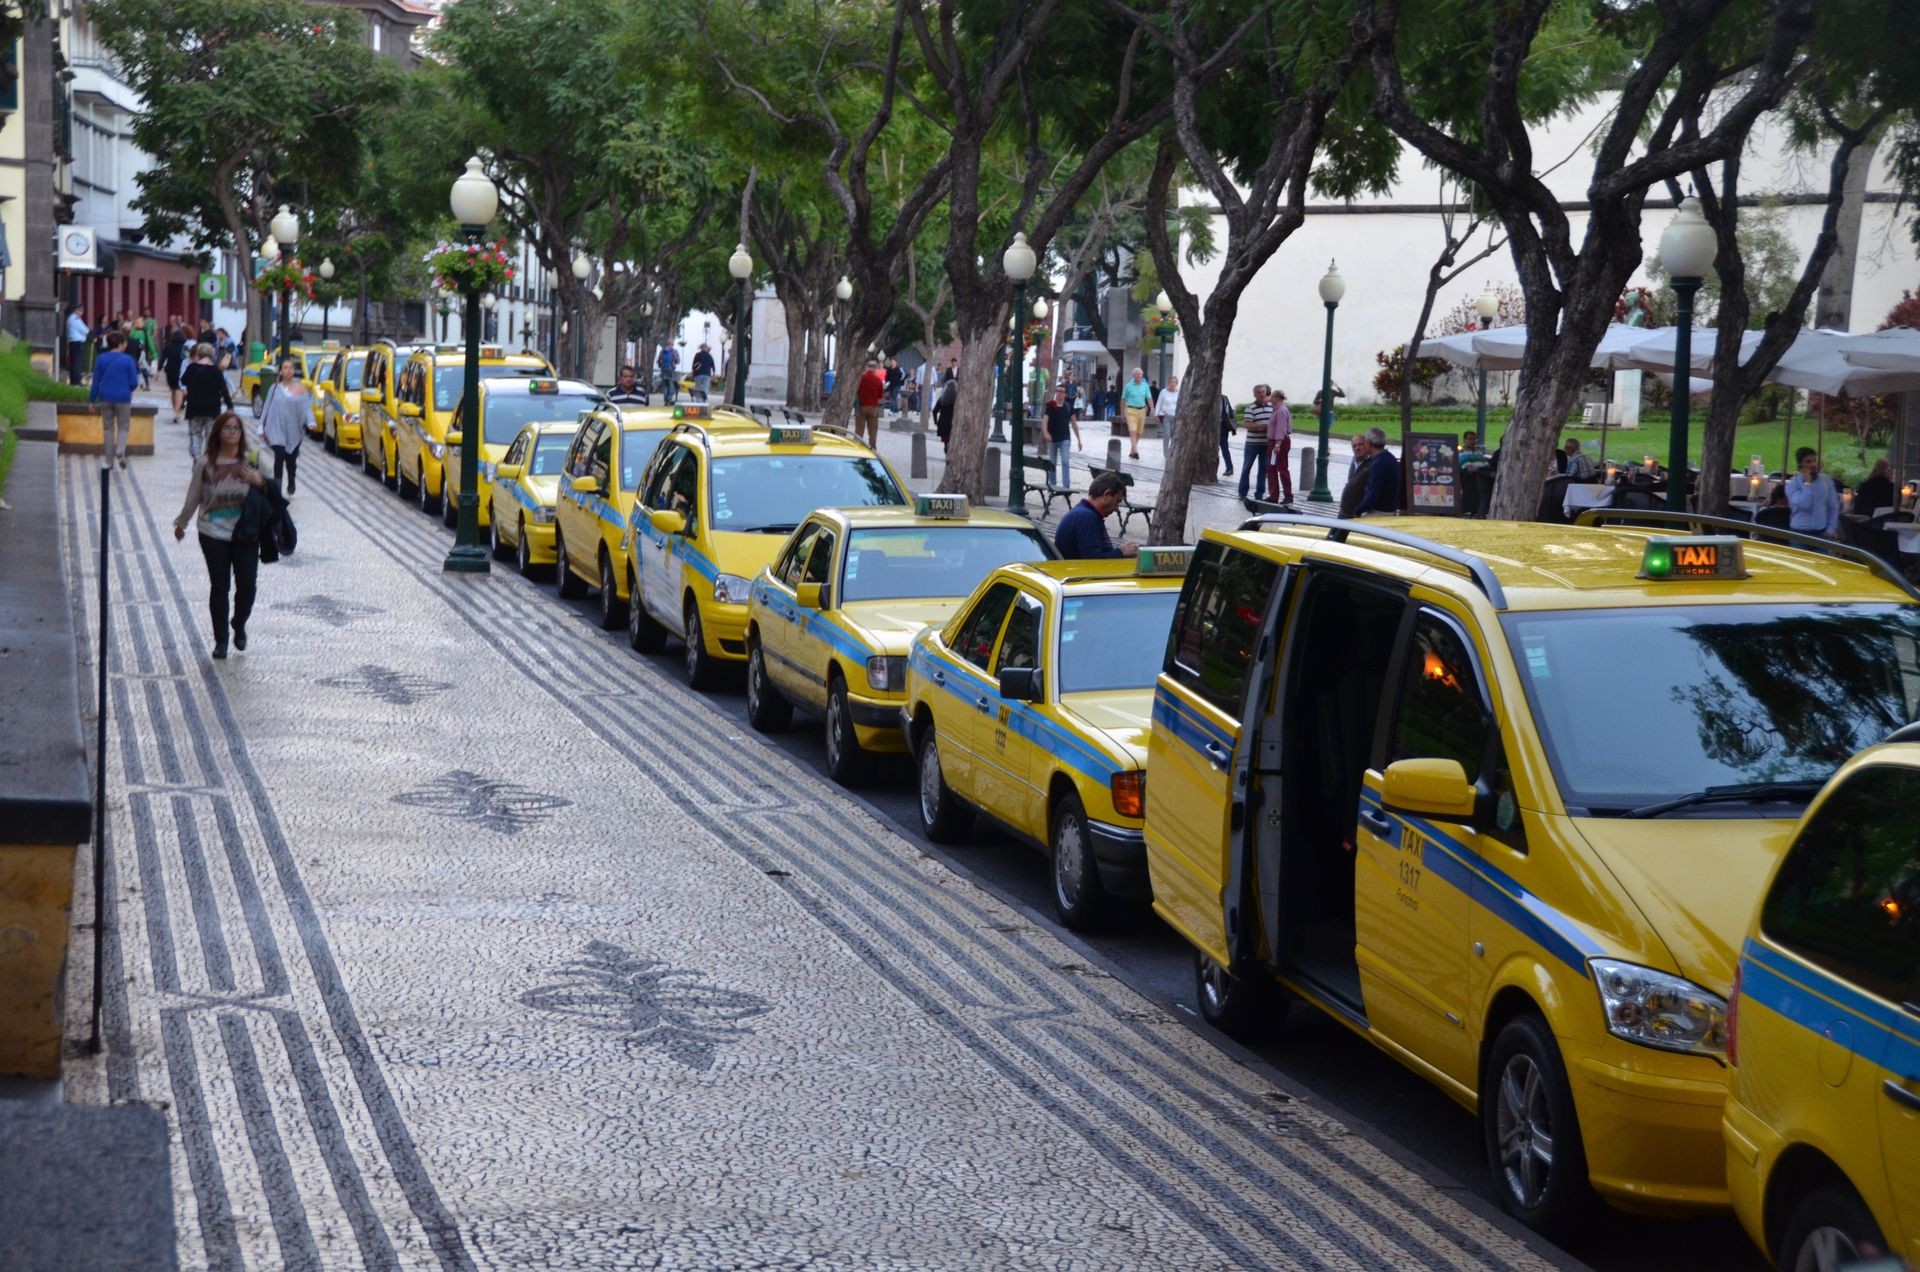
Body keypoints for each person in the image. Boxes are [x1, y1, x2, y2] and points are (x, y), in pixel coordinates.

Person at [174, 413, 267, 658]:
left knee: (247, 585)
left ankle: (239, 622)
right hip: (212, 532)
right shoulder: (205, 464)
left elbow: (272, 487)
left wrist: (259, 481)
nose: (231, 432)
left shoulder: (252, 460)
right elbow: (194, 495)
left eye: (235, 428)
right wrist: (181, 523)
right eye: (226, 428)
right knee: (220, 585)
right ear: (218, 432)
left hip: (245, 532)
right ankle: (221, 641)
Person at [258, 356, 311, 497]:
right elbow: (266, 408)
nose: (288, 371)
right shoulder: (274, 389)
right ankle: (277, 488)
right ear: (280, 371)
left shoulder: (300, 389)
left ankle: (291, 480)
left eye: (291, 368)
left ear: (294, 371)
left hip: (294, 430)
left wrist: (310, 421)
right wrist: (261, 427)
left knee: (290, 461)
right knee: (279, 456)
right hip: (276, 430)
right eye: (285, 368)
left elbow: (306, 407)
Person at [1054, 472, 1138, 559]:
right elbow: (1093, 561)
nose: (1116, 509)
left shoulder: (1083, 513)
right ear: (1107, 494)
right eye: (1117, 501)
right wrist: (1121, 552)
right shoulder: (1086, 518)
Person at [88, 331, 140, 470]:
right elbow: (134, 382)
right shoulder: (128, 360)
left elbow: (96, 381)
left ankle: (108, 461)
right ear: (121, 344)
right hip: (123, 397)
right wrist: (126, 389)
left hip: (105, 397)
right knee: (123, 427)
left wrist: (92, 401)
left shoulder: (101, 358)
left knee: (108, 428)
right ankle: (120, 451)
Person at [180, 342, 234, 461]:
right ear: (212, 355)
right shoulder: (216, 371)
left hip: (194, 408)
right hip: (212, 409)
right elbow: (224, 390)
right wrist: (230, 407)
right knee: (211, 436)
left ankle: (197, 458)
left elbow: (183, 381)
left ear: (199, 354)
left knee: (195, 434)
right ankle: (209, 460)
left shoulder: (191, 368)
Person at [1784, 446, 1840, 539]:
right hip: (1799, 532)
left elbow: (1833, 506)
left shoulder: (1826, 480)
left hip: (1821, 532)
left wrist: (1830, 529)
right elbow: (1804, 504)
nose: (1813, 464)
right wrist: (1807, 484)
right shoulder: (1793, 484)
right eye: (1808, 462)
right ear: (1800, 464)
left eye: (1814, 460)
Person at [1352, 427, 1403, 517]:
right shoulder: (1389, 458)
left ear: (1369, 443)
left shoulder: (1378, 463)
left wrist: (1358, 509)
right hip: (1388, 510)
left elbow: (1373, 493)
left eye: (1364, 443)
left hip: (1378, 513)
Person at [1041, 385, 1081, 490]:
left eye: (1061, 392)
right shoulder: (1050, 405)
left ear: (1065, 394)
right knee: (1052, 463)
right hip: (1052, 438)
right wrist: (1045, 433)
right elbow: (1045, 421)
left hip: (1065, 438)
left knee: (1065, 460)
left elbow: (1074, 423)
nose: (1059, 393)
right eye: (1057, 391)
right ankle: (1052, 485)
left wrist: (1079, 440)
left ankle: (1066, 486)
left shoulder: (1068, 406)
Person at [1238, 387, 1272, 499]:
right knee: (1246, 468)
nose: (1261, 394)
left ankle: (1259, 494)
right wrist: (1263, 427)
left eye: (1263, 392)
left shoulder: (1271, 407)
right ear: (1254, 394)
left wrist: (1259, 427)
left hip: (1265, 444)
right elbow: (1248, 425)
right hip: (1252, 443)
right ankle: (1242, 493)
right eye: (1259, 392)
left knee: (1263, 469)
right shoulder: (1250, 408)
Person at [1266, 389, 1294, 504]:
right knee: (1271, 468)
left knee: (1282, 468)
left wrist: (1278, 444)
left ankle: (1288, 496)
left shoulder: (1281, 411)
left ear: (1277, 398)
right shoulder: (1277, 410)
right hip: (1275, 442)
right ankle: (1274, 495)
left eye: (1272, 397)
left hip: (1279, 443)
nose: (1270, 399)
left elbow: (1281, 428)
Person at [1338, 434, 1375, 519]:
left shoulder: (1372, 463)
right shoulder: (1354, 462)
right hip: (1345, 510)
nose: (1357, 448)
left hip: (1359, 512)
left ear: (1367, 445)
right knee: (1334, 531)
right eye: (1354, 446)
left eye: (1360, 445)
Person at [161, 320, 190, 421]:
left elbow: (162, 358)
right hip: (180, 371)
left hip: (169, 370)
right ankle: (176, 412)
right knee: (178, 391)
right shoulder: (184, 347)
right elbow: (187, 359)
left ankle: (175, 410)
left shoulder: (168, 346)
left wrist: (158, 369)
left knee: (173, 390)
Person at [1119, 368, 1152, 459]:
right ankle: (1136, 451)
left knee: (1138, 433)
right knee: (1132, 431)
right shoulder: (1128, 386)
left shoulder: (1145, 386)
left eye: (1140, 374)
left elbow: (1149, 398)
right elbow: (1123, 399)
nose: (1138, 376)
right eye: (1137, 374)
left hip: (1142, 411)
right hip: (1131, 410)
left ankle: (1132, 451)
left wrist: (1152, 408)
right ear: (1133, 376)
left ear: (1142, 375)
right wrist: (1122, 413)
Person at [856, 357, 886, 447]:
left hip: (862, 406)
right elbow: (880, 395)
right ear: (875, 368)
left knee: (859, 429)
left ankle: (857, 445)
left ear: (866, 367)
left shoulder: (861, 378)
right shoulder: (878, 380)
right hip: (873, 407)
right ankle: (872, 446)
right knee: (873, 429)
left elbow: (857, 391)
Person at [65, 306, 89, 385]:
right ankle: (77, 381)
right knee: (77, 363)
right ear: (77, 310)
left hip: (72, 342)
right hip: (77, 343)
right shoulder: (76, 319)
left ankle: (73, 380)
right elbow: (85, 330)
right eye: (81, 311)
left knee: (73, 362)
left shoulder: (70, 319)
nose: (82, 313)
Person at [1153, 374, 1180, 443]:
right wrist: (1156, 414)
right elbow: (1159, 403)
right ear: (1168, 383)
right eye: (1170, 382)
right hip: (1166, 415)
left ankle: (1172, 451)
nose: (1172, 384)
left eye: (1174, 382)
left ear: (1176, 383)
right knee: (1167, 434)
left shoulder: (1179, 393)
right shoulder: (1163, 392)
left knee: (1173, 435)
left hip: (1175, 416)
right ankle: (1166, 453)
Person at [932, 377, 958, 448]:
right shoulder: (958, 400)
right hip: (954, 422)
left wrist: (936, 421)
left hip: (943, 422)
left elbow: (934, 411)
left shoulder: (942, 399)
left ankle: (947, 450)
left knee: (946, 441)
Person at [1217, 392, 1236, 479]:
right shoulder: (1211, 397)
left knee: (1224, 448)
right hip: (1214, 426)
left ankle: (1229, 468)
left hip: (1222, 426)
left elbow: (1229, 412)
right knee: (1216, 449)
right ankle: (1228, 468)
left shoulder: (1223, 398)